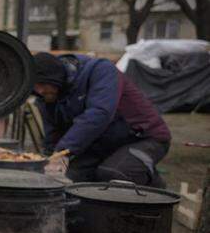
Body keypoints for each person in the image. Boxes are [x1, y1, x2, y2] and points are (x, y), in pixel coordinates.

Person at [33, 52, 171, 187]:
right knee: (66, 179)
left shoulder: (100, 70)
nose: (39, 91)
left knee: (114, 174)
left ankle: (155, 191)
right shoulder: (48, 93)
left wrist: (63, 152)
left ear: (55, 77)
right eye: (35, 86)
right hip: (101, 143)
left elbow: (99, 114)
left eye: (42, 84)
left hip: (143, 137)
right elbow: (53, 129)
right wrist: (49, 159)